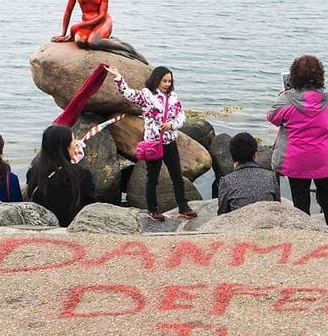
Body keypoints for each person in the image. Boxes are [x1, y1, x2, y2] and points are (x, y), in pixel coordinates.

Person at [105, 64, 197, 221]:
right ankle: (152, 210)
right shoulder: (146, 95)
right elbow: (127, 94)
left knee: (176, 176)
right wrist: (118, 76)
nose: (167, 84)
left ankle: (183, 207)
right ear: (156, 80)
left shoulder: (173, 97)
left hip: (170, 142)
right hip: (153, 143)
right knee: (152, 178)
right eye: (164, 81)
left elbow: (181, 116)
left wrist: (172, 125)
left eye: (169, 81)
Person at [267, 55, 328, 234]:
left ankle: (304, 236)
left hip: (296, 160)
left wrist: (282, 94)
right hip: (323, 158)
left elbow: (272, 117)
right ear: (320, 76)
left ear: (293, 77)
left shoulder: (286, 99)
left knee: (300, 200)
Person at [51, 0, 147, 64]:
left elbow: (102, 16)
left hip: (102, 21)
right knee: (81, 43)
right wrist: (63, 34)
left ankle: (128, 49)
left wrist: (78, 26)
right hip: (87, 24)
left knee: (94, 43)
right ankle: (104, 41)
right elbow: (68, 11)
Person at [26, 125, 96, 227]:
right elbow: (91, 205)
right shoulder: (81, 174)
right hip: (74, 228)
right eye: (73, 140)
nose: (76, 144)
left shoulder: (33, 172)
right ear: (65, 146)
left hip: (43, 228)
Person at [217, 132, 280, 215]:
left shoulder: (226, 181)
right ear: (255, 154)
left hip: (239, 225)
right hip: (267, 221)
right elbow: (278, 206)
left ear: (232, 156)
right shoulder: (271, 177)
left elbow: (222, 213)